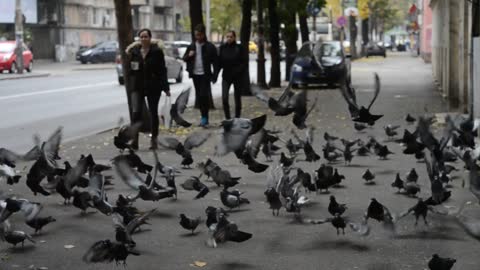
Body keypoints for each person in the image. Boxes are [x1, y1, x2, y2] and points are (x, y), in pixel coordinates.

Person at [126, 28, 170, 150]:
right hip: (138, 87)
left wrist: (165, 87)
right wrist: (131, 84)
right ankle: (134, 141)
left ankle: (153, 140)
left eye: (146, 36)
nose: (144, 39)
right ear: (139, 39)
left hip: (153, 86)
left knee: (153, 113)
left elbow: (162, 71)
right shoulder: (134, 52)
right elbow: (131, 70)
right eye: (142, 37)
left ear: (150, 38)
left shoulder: (157, 52)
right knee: (136, 114)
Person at [183, 24, 219, 127]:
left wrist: (214, 76)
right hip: (195, 75)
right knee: (199, 96)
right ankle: (204, 116)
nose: (197, 37)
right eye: (196, 35)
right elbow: (184, 58)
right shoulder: (191, 46)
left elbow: (216, 62)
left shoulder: (209, 47)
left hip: (205, 75)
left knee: (203, 95)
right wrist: (189, 56)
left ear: (203, 35)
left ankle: (204, 117)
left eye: (199, 35)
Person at [216, 30, 248, 119]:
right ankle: (228, 118)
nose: (229, 38)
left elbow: (244, 62)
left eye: (231, 37)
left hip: (237, 77)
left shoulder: (239, 48)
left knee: (237, 98)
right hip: (226, 77)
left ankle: (237, 117)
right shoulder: (222, 48)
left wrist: (239, 71)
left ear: (234, 38)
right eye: (227, 37)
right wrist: (215, 76)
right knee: (224, 98)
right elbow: (219, 63)